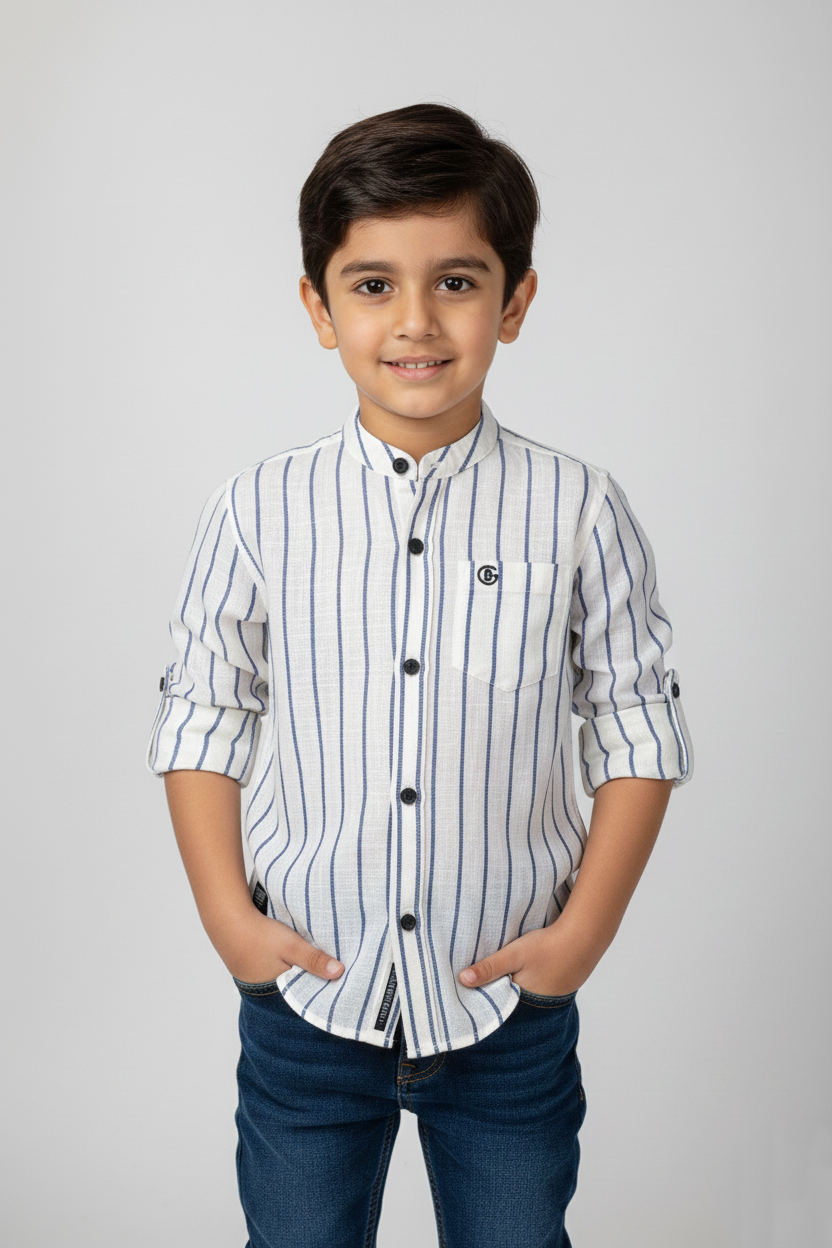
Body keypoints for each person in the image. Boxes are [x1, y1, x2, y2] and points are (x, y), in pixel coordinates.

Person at [147, 102, 693, 1248]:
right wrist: (227, 920)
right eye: (371, 284)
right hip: (308, 1002)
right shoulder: (257, 510)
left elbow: (636, 723)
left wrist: (581, 939)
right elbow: (204, 711)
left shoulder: (579, 509)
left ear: (515, 301)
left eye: (455, 281)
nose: (415, 321)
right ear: (318, 308)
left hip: (505, 1010)